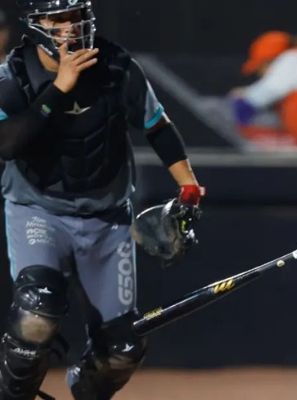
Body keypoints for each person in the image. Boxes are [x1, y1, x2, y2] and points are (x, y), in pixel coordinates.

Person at [0, 1, 205, 399]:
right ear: (38, 25)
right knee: (36, 313)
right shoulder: (13, 75)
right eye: (60, 19)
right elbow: (8, 144)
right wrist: (60, 86)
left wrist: (190, 189)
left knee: (123, 350)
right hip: (38, 212)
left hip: (107, 218)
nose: (71, 27)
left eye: (77, 16)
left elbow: (157, 126)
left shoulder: (117, 67)